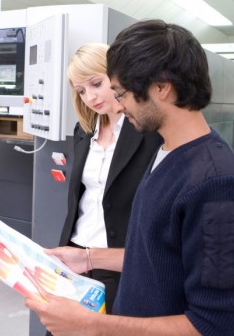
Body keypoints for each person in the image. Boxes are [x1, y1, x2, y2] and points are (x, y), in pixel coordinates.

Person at [26, 19, 234, 335]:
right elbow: (155, 258)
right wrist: (87, 257)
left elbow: (219, 322)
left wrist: (93, 325)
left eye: (122, 93)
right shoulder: (166, 153)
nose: (119, 105)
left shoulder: (218, 186)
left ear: (161, 88)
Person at [59, 43, 162, 313]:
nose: (90, 97)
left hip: (119, 258)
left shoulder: (147, 131)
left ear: (117, 78)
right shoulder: (83, 132)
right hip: (76, 254)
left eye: (96, 83)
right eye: (81, 91)